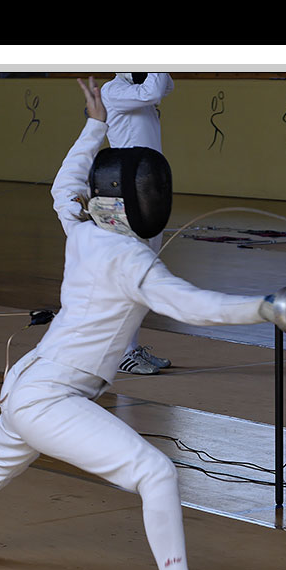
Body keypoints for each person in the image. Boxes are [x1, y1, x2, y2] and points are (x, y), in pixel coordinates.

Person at [0, 77, 286, 570]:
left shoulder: (82, 228)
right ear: (135, 201)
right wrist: (262, 307)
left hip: (30, 385)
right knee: (156, 472)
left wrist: (95, 122)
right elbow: (190, 305)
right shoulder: (128, 257)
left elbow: (62, 187)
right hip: (52, 398)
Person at [101, 72, 176, 375]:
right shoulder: (114, 90)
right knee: (131, 273)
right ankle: (122, 351)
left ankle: (132, 347)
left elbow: (166, 84)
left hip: (148, 188)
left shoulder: (139, 88)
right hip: (127, 191)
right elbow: (155, 91)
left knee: (145, 272)